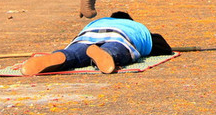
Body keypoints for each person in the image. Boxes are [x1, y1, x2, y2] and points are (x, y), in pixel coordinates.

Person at [20, 11, 170, 76]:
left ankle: (61, 56)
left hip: (87, 36)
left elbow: (77, 37)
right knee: (115, 49)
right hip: (118, 37)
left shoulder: (97, 22)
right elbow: (163, 46)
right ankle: (106, 53)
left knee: (74, 53)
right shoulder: (135, 27)